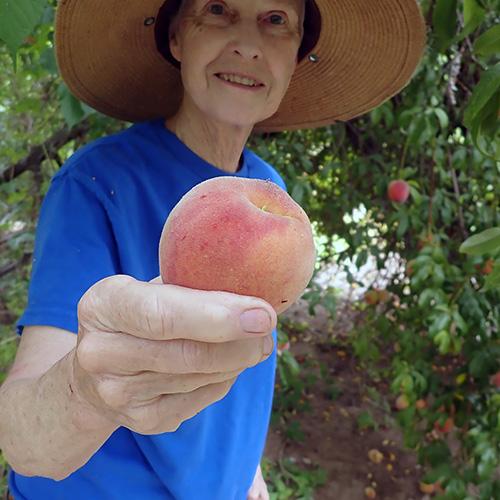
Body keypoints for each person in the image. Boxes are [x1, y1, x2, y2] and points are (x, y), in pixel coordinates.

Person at [0, 0, 427, 498]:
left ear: (296, 56)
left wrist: (246, 468)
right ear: (176, 38)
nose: (247, 44)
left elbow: (242, 353)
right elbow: (24, 440)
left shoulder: (271, 190)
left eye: (276, 20)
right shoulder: (95, 184)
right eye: (218, 9)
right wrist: (87, 390)